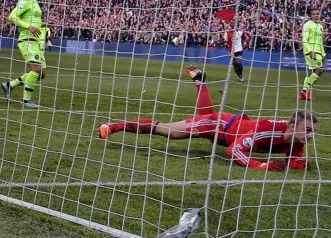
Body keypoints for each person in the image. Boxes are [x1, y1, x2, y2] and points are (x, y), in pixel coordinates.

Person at [100, 67, 317, 171]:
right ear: (290, 125)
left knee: (203, 115)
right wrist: (261, 165)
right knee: (166, 131)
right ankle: (112, 127)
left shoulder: (296, 140)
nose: (310, 135)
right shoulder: (268, 129)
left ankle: (200, 81)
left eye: (312, 132)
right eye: (306, 129)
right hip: (219, 126)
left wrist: (298, 163)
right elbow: (234, 150)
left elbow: (292, 158)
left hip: (225, 127)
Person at [2, 0, 47, 108]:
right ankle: (26, 101)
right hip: (27, 40)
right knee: (36, 70)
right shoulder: (26, 1)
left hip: (36, 42)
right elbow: (12, 17)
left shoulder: (36, 4)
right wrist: (29, 27)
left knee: (42, 73)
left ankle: (10, 85)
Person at [301, 6, 325, 102]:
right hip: (311, 51)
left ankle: (303, 93)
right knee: (319, 71)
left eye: (317, 14)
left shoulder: (320, 26)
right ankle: (305, 91)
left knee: (310, 72)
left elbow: (321, 41)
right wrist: (310, 51)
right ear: (310, 15)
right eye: (314, 14)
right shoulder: (307, 25)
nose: (316, 15)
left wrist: (323, 54)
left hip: (318, 51)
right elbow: (304, 39)